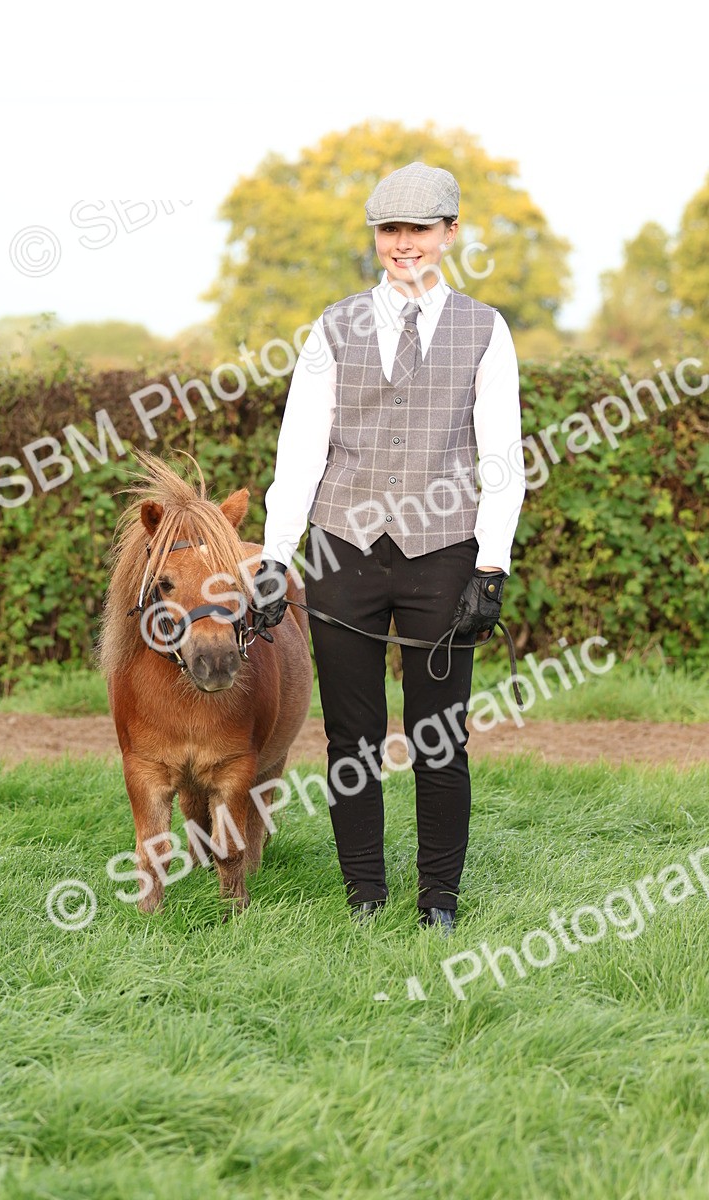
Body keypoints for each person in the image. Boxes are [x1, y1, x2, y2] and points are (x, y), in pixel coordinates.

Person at [251, 161, 525, 932]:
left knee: (441, 739)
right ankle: (364, 898)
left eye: (419, 229)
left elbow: (502, 456)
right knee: (352, 737)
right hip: (343, 550)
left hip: (444, 553)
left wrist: (492, 564)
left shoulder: (484, 329)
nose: (403, 243)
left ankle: (439, 901)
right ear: (376, 236)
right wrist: (276, 557)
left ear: (450, 233)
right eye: (390, 230)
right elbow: (300, 450)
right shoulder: (333, 326)